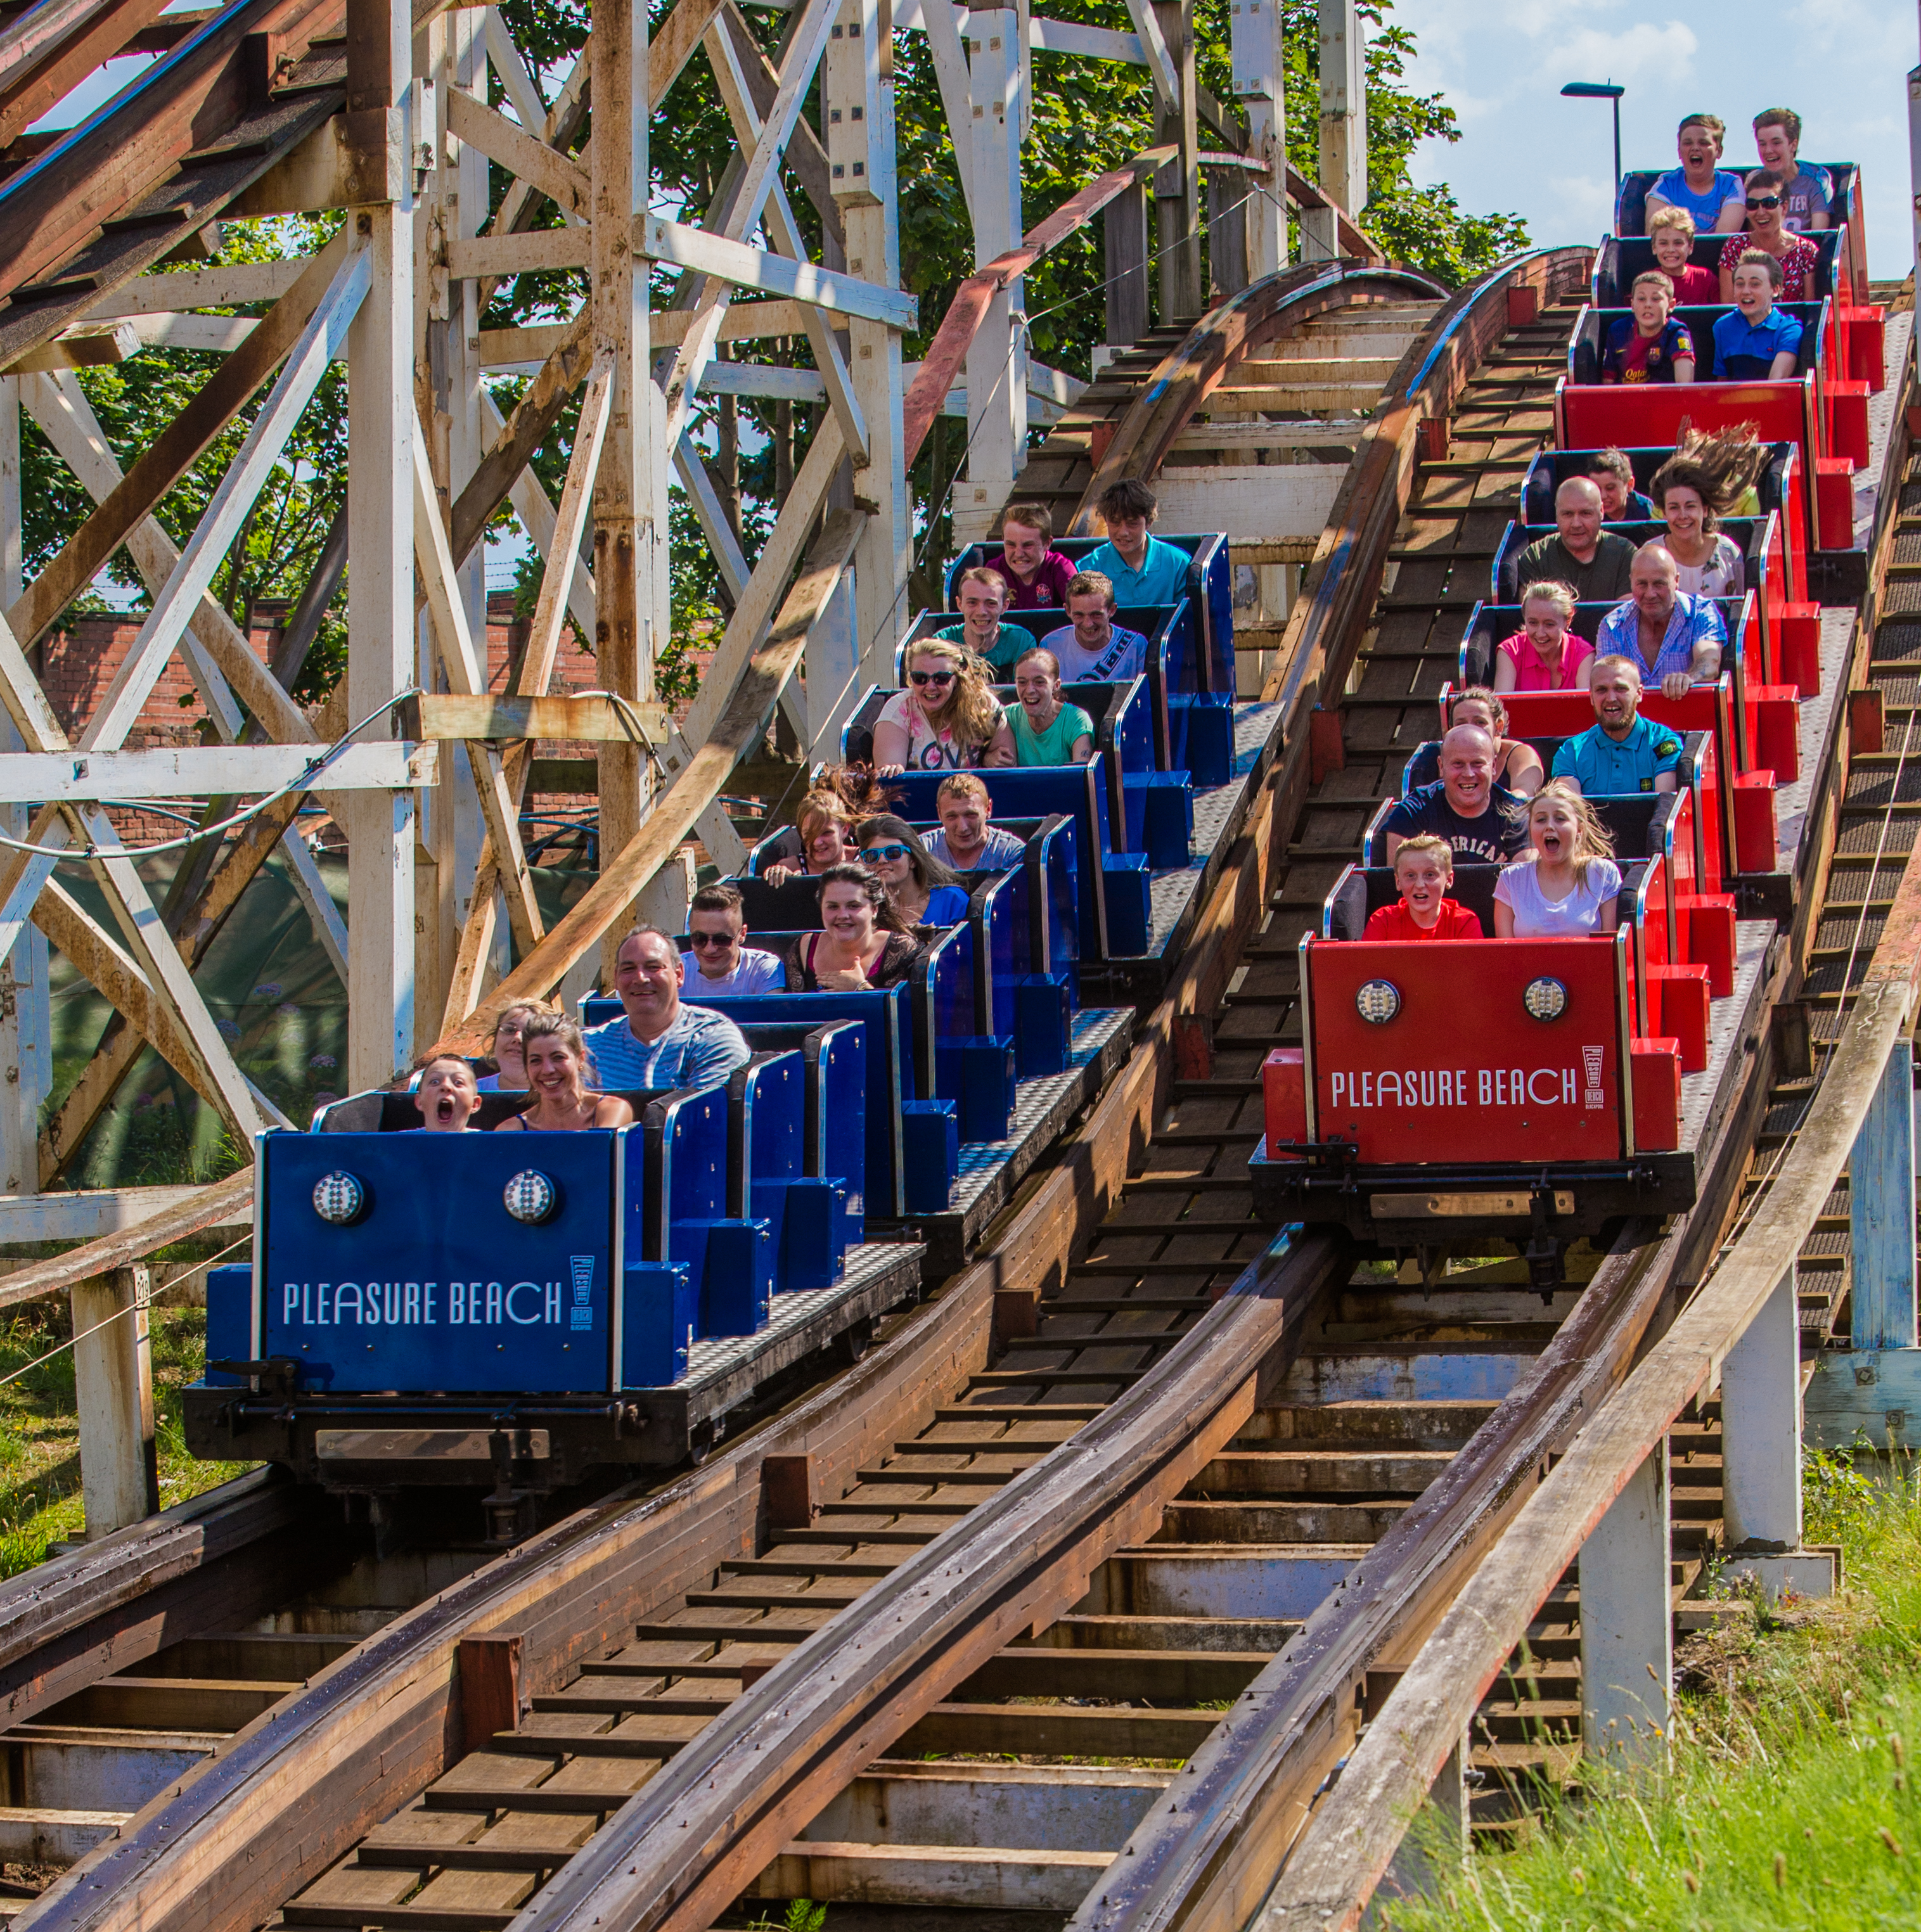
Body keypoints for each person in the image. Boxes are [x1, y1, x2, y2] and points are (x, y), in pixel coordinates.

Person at [584, 926, 753, 1088]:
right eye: (628, 969)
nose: (640, 978)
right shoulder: (590, 1046)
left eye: (654, 967)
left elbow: (703, 1114)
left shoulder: (712, 1036)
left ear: (678, 974)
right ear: (616, 979)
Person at [1380, 724, 1529, 867]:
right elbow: (1398, 882)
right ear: (1441, 766)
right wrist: (1491, 877)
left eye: (1478, 763)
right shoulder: (1414, 811)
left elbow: (1526, 884)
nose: (1468, 774)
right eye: (1458, 764)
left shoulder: (1515, 813)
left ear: (1494, 765)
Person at [1595, 546, 1726, 702]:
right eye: (1642, 584)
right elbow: (1608, 682)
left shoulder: (1701, 612)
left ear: (1676, 581)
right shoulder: (1612, 625)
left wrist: (1687, 679)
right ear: (1631, 582)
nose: (1650, 594)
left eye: (1659, 584)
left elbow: (1709, 660)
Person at [1492, 783, 1621, 939]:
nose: (1550, 826)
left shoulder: (1603, 874)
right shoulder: (1510, 880)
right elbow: (1506, 954)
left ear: (1579, 829)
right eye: (1541, 820)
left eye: (1560, 819)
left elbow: (1610, 949)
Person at [872, 639, 1016, 775]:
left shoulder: (983, 705)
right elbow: (890, 772)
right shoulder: (899, 711)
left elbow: (1008, 763)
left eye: (941, 678)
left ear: (957, 677)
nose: (930, 687)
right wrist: (892, 769)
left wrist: (988, 760)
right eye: (920, 678)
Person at [1550, 655, 1683, 796]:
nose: (1611, 698)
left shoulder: (1662, 743)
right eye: (1601, 690)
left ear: (1639, 694)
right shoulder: (1571, 752)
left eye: (1620, 689)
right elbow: (1570, 812)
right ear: (1591, 697)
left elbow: (1665, 807)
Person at [785, 865, 923, 990]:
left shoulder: (900, 949)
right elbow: (789, 1012)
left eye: (853, 906)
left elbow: (904, 1013)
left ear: (874, 910)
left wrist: (860, 988)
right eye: (833, 907)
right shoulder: (803, 948)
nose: (843, 915)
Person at [496, 1014, 637, 1132]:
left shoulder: (610, 1111)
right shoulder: (511, 1130)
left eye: (558, 1058)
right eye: (535, 1061)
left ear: (580, 1058)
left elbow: (597, 1155)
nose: (548, 1070)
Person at [1513, 478, 1636, 603]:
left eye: (1585, 513)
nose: (1576, 524)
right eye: (1567, 514)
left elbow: (1627, 616)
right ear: (1556, 514)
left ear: (1601, 512)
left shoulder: (1625, 555)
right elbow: (1532, 616)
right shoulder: (1536, 557)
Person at [1650, 449, 1746, 598]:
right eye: (1674, 507)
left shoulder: (1728, 553)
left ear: (1705, 510)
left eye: (1690, 506)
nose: (1683, 515)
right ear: (1664, 512)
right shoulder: (1650, 555)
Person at [1083, 478, 1190, 606]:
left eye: (1132, 523)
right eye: (1115, 522)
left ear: (1149, 522)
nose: (1123, 532)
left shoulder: (1177, 564)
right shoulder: (1088, 568)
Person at [1362, 835, 1483, 942]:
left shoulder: (1464, 922)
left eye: (1430, 875)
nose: (1420, 885)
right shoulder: (1383, 922)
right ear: (1398, 881)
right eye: (1411, 875)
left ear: (1449, 879)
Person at [1717, 177, 1820, 304]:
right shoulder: (1734, 247)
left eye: (1769, 203)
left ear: (1784, 207)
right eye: (1753, 205)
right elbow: (1728, 305)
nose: (1760, 212)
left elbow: (1809, 308)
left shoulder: (1805, 250)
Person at [857, 812, 971, 926]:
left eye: (893, 853)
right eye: (872, 856)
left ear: (913, 860)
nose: (882, 860)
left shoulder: (951, 901)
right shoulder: (865, 909)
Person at [1643, 113, 1745, 233]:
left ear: (1719, 151)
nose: (1695, 148)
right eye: (1688, 143)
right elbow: (1655, 236)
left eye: (1703, 143)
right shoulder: (1666, 185)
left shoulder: (1731, 186)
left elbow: (1724, 240)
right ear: (1679, 151)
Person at [1042, 573, 1152, 682]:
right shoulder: (1050, 645)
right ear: (1068, 611)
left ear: (1112, 610)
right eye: (1079, 615)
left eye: (1096, 615)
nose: (1088, 624)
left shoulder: (1135, 645)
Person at [1711, 251, 1804, 380]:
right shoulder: (1722, 327)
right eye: (1740, 284)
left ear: (1775, 290)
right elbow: (1722, 383)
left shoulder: (1789, 329)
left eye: (1755, 284)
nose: (1746, 291)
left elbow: (1776, 383)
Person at [1493, 581, 1593, 697]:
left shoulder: (1584, 655)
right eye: (1533, 623)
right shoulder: (1510, 651)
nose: (1540, 634)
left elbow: (1585, 709)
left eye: (1549, 624)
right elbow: (1503, 709)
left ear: (1568, 621)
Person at [684, 882, 783, 995]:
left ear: (742, 934)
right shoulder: (674, 971)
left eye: (721, 940)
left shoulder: (763, 969)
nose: (710, 949)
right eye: (699, 938)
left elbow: (770, 1011)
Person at [1448, 688, 1545, 798]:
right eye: (1461, 724)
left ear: (1499, 727)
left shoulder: (1521, 755)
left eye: (1480, 722)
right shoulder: (1439, 756)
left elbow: (1523, 796)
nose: (1471, 729)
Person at [1600, 274, 1697, 386]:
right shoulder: (1618, 330)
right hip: (1626, 400)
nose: (1648, 305)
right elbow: (1607, 383)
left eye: (1656, 299)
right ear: (1632, 305)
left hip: (1664, 401)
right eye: (1641, 299)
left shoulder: (1677, 333)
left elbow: (1684, 386)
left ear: (1671, 305)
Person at [761, 783, 863, 887]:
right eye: (809, 834)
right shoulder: (792, 867)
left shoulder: (866, 861)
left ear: (845, 829)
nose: (817, 842)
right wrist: (782, 880)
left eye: (826, 833)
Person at [1008, 646, 1095, 765]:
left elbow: (1081, 775)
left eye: (1039, 682)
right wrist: (988, 758)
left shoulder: (1077, 720)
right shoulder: (1009, 716)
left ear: (1056, 685)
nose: (1030, 690)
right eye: (1022, 682)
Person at [935, 566, 1030, 674]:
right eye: (972, 603)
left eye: (991, 603)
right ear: (960, 604)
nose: (981, 612)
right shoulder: (943, 642)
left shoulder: (1021, 641)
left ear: (1004, 606)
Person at [1751, 106, 1832, 233]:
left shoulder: (1815, 181)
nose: (1768, 151)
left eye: (1776, 143)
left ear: (1793, 145)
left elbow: (1819, 236)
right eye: (1762, 144)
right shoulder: (1754, 182)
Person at [926, 772, 1027, 871]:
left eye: (971, 815)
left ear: (988, 809)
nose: (963, 828)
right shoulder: (922, 851)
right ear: (939, 814)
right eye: (952, 817)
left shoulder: (1010, 852)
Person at [988, 502, 1078, 610]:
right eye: (1011, 545)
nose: (1019, 554)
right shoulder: (994, 571)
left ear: (1047, 543)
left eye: (1028, 545)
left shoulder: (1060, 569)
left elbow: (1082, 611)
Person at [1647, 207, 1721, 304]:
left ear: (1690, 247)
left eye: (1678, 243)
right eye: (1664, 243)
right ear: (1654, 248)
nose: (1671, 250)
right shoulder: (1647, 282)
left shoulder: (1706, 278)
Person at [475, 999, 555, 1091]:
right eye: (509, 1030)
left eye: (530, 1032)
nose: (517, 1038)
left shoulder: (565, 1099)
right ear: (495, 1038)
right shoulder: (467, 1095)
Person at [413, 1054, 483, 1131]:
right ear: (419, 1102)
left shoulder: (489, 1142)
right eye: (435, 1082)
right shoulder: (400, 1142)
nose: (446, 1086)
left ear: (475, 1104)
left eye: (458, 1082)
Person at [1587, 449, 1655, 522]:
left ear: (1630, 485)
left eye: (1610, 488)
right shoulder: (1586, 511)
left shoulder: (1646, 510)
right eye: (1597, 489)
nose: (1603, 496)